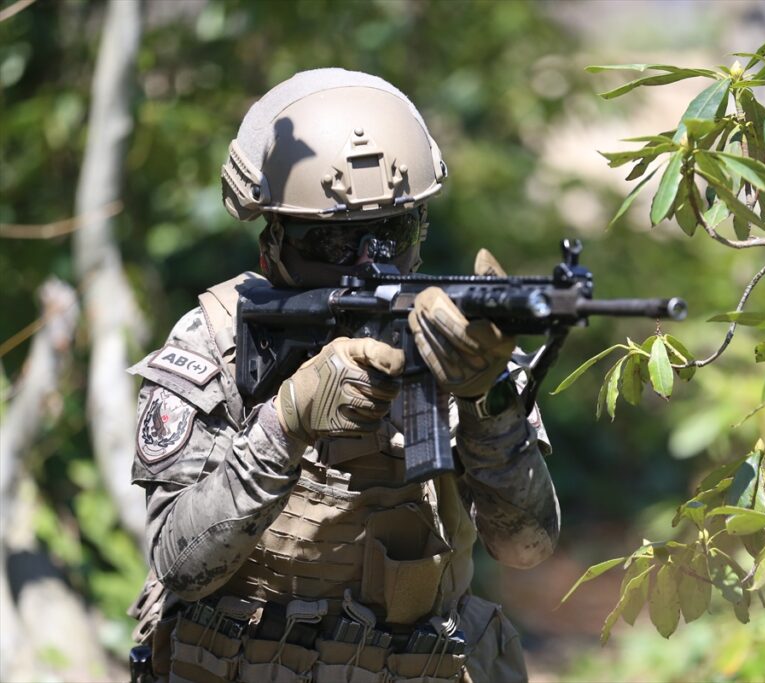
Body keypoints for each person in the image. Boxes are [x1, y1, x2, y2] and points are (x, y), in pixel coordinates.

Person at [127, 68, 559, 683]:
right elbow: (178, 562)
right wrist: (284, 424)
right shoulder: (218, 344)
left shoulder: (462, 343)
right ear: (270, 239)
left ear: (421, 227)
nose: (366, 263)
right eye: (329, 244)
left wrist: (486, 405)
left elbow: (528, 548)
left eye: (392, 234)